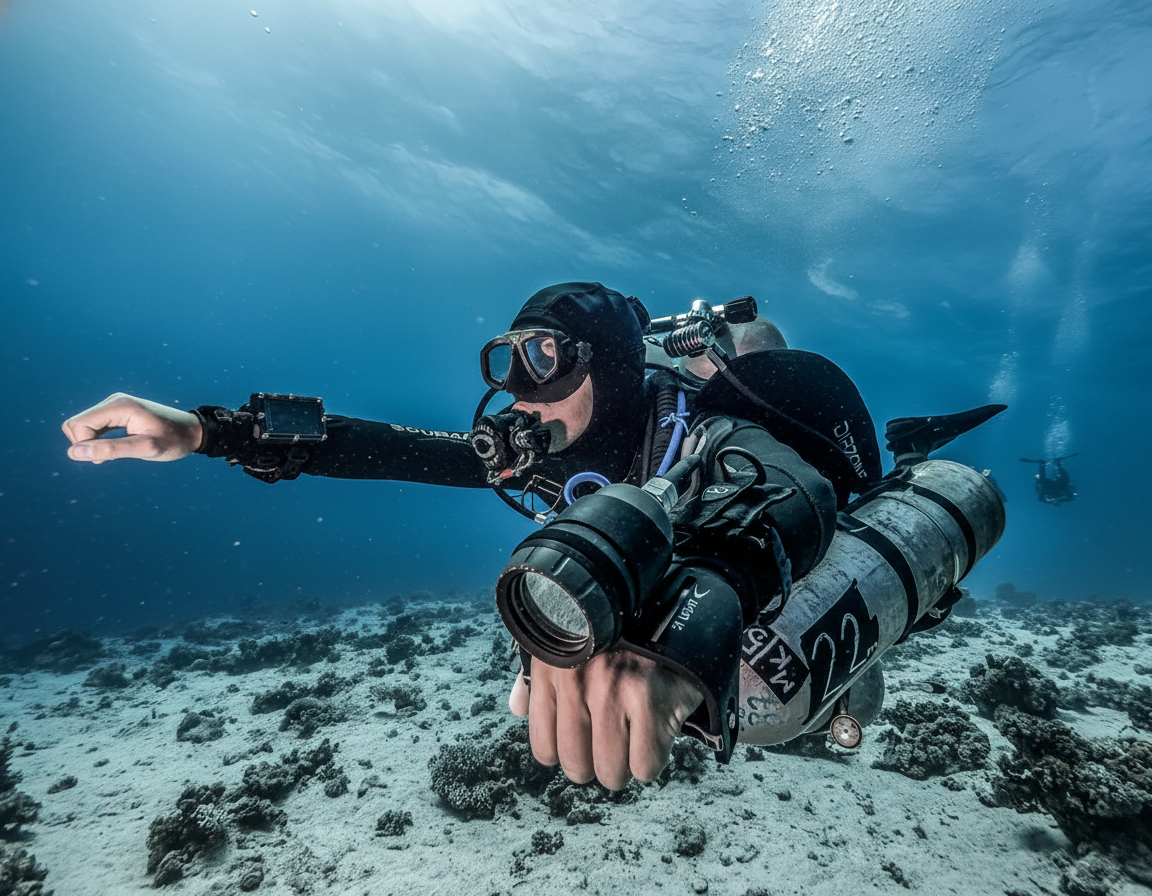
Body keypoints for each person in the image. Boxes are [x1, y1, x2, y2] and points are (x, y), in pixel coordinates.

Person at [63, 282, 876, 790]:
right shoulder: (539, 457)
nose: (521, 394)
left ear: (617, 367)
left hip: (778, 572)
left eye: (547, 359)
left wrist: (693, 610)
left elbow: (786, 491)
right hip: (698, 581)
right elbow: (395, 451)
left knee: (830, 673)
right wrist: (211, 432)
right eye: (510, 361)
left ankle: (852, 693)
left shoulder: (700, 425)